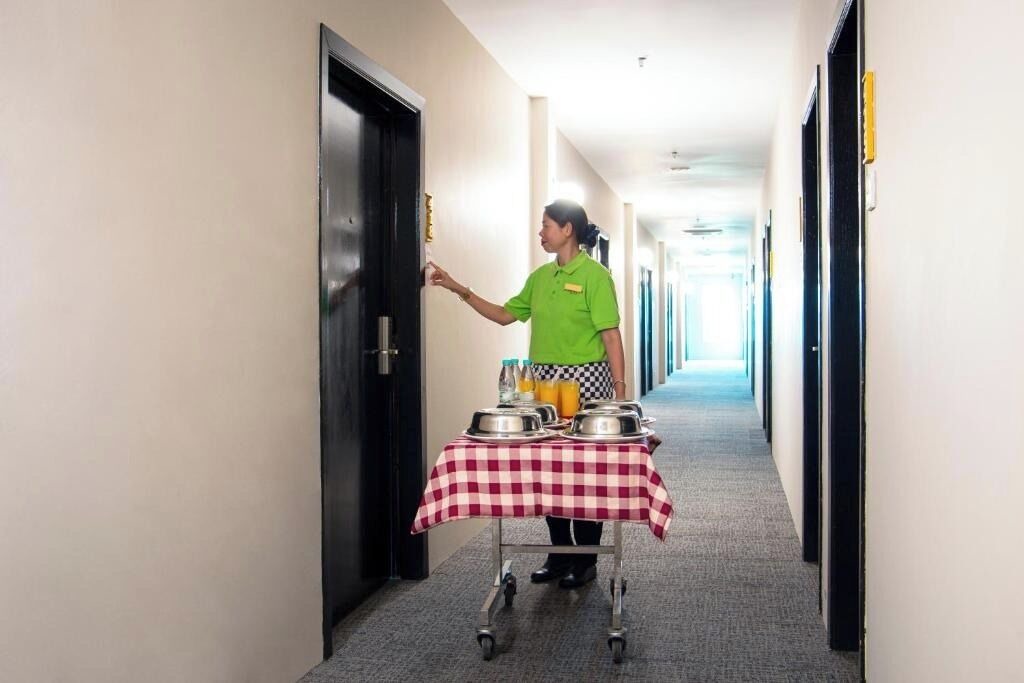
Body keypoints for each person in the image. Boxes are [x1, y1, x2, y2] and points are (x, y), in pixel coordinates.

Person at [429, 198, 631, 589]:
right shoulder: (540, 278)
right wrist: (457, 288)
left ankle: (586, 559)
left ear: (567, 229)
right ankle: (560, 553)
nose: (541, 233)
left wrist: (620, 392)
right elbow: (505, 315)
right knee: (551, 466)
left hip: (587, 380)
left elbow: (610, 335)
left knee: (584, 471)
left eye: (546, 226)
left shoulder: (595, 276)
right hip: (544, 382)